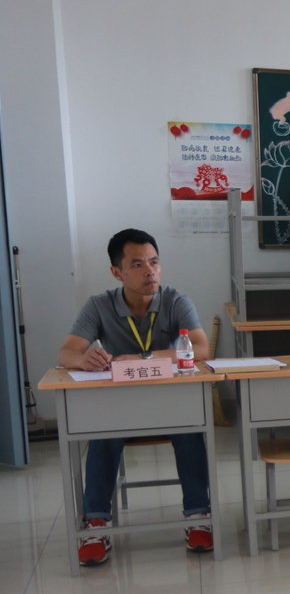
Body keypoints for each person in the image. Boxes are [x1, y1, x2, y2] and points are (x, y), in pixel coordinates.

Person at [56, 229, 213, 564]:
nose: (150, 272)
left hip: (168, 402)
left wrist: (143, 357)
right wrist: (83, 360)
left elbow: (201, 348)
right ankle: (95, 522)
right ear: (118, 272)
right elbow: (66, 353)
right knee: (102, 433)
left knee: (190, 428)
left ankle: (198, 515)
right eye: (138, 265)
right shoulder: (99, 305)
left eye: (154, 262)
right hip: (121, 406)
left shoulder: (175, 301)